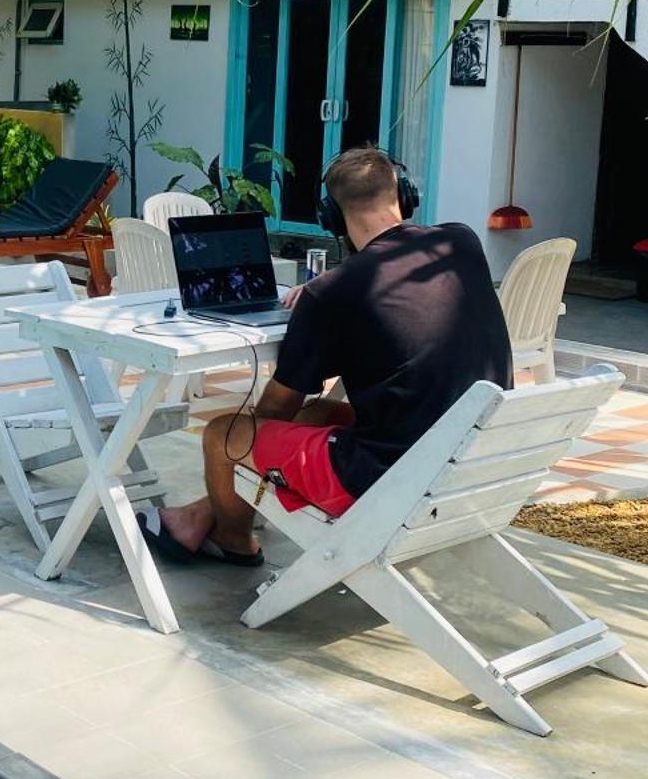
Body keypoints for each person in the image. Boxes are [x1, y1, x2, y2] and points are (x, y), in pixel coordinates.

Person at [148, 146, 513, 567]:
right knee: (319, 412)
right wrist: (331, 290)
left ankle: (233, 541)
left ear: (332, 218)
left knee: (226, 435)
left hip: (386, 476)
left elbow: (276, 407)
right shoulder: (461, 243)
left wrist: (323, 298)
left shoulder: (333, 294)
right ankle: (196, 515)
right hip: (466, 458)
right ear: (404, 195)